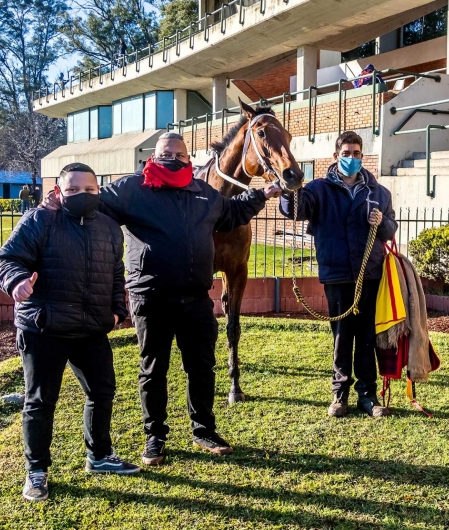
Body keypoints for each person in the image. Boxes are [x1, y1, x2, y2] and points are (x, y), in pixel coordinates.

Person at [42, 132, 282, 466]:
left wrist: (263, 194)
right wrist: (59, 202)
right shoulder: (133, 188)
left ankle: (204, 429)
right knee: (153, 370)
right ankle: (155, 437)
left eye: (179, 154)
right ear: (153, 158)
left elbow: (231, 211)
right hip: (151, 298)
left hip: (196, 298)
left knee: (201, 367)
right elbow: (93, 201)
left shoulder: (202, 192)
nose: (173, 159)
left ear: (188, 159)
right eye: (165, 153)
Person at [0, 163, 140, 502]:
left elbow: (116, 271)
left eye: (89, 190)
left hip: (91, 329)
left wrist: (117, 309)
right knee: (40, 401)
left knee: (102, 392)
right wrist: (15, 281)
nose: (82, 195)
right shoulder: (39, 220)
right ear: (58, 192)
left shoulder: (108, 227)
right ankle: (37, 471)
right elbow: (6, 259)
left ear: (97, 192)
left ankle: (99, 456)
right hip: (45, 327)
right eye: (73, 190)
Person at [279, 131, 397, 418]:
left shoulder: (377, 192)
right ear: (336, 156)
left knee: (367, 337)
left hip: (370, 274)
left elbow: (391, 230)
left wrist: (382, 223)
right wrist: (289, 188)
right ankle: (339, 394)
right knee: (342, 336)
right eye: (346, 153)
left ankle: (367, 395)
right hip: (337, 274)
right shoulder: (319, 189)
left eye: (356, 154)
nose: (352, 158)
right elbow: (294, 210)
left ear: (362, 156)